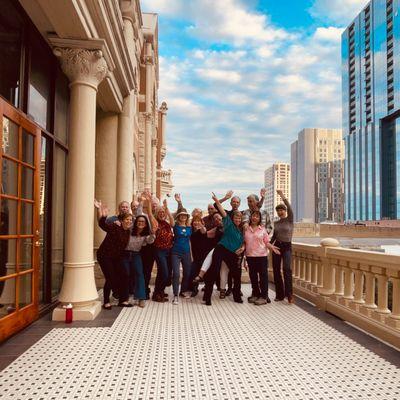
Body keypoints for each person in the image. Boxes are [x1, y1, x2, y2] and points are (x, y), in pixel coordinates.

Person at [203, 193, 244, 306]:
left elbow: (244, 242)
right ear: (233, 218)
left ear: (241, 219)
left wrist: (242, 248)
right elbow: (222, 210)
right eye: (236, 217)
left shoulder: (241, 231)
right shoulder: (228, 223)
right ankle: (207, 297)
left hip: (232, 253)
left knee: (236, 274)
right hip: (221, 249)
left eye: (239, 218)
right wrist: (217, 200)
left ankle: (237, 296)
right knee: (214, 271)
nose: (237, 219)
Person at [95, 199, 133, 309]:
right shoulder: (115, 227)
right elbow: (102, 225)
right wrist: (102, 214)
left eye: (130, 220)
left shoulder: (128, 232)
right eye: (127, 219)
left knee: (125, 275)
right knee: (110, 278)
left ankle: (123, 300)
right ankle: (106, 302)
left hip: (117, 256)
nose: (129, 221)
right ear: (121, 220)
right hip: (105, 255)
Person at [244, 210, 280, 305]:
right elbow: (244, 242)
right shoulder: (246, 229)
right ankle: (256, 294)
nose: (255, 218)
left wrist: (271, 247)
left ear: (259, 219)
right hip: (250, 256)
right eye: (253, 216)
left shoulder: (262, 229)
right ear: (251, 217)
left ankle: (264, 296)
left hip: (262, 256)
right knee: (253, 277)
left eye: (257, 216)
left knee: (263, 277)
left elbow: (266, 242)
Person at [121, 214, 155, 308]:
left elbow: (150, 241)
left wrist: (153, 234)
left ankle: (141, 298)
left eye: (143, 222)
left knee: (140, 274)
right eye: (139, 221)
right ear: (136, 223)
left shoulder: (146, 234)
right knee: (126, 274)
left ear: (145, 224)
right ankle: (124, 297)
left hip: (136, 255)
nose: (140, 223)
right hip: (125, 254)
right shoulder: (130, 230)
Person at [271, 190, 295, 304]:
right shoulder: (276, 223)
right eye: (278, 210)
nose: (280, 212)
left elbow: (289, 206)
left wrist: (281, 195)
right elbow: (274, 236)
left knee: (287, 269)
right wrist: (269, 245)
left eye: (282, 210)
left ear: (285, 211)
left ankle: (289, 294)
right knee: (276, 271)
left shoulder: (290, 219)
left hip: (287, 247)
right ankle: (279, 295)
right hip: (277, 246)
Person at [152, 199, 174, 302]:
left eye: (163, 213)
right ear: (156, 214)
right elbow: (149, 214)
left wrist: (167, 209)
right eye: (159, 213)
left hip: (169, 251)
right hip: (159, 250)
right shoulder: (155, 223)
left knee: (163, 273)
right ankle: (157, 293)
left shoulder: (167, 223)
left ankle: (159, 292)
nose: (161, 214)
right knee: (164, 273)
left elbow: (173, 222)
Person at [170, 205, 192, 305]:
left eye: (185, 215)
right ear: (178, 216)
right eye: (181, 215)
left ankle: (182, 291)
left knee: (187, 273)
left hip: (186, 253)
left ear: (187, 217)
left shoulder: (189, 227)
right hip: (175, 252)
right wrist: (178, 202)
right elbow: (170, 216)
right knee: (176, 274)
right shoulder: (175, 226)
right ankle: (175, 295)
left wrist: (191, 255)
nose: (183, 217)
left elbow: (189, 241)